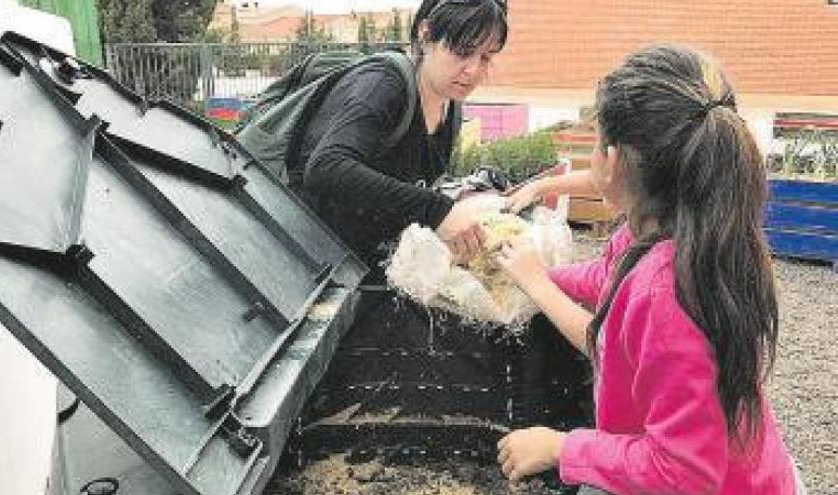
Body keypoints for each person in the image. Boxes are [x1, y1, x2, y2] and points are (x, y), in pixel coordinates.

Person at [494, 44, 803, 494]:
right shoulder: (680, 227)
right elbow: (606, 280)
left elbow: (685, 473)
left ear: (615, 161)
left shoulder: (667, 292)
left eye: (595, 141)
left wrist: (563, 447)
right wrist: (534, 273)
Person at [294, 0, 509, 277]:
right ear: (425, 33)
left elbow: (404, 190)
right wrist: (436, 210)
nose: (473, 71)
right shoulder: (382, 85)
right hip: (308, 261)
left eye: (486, 57)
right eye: (462, 51)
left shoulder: (450, 104)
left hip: (369, 264)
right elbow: (326, 167)